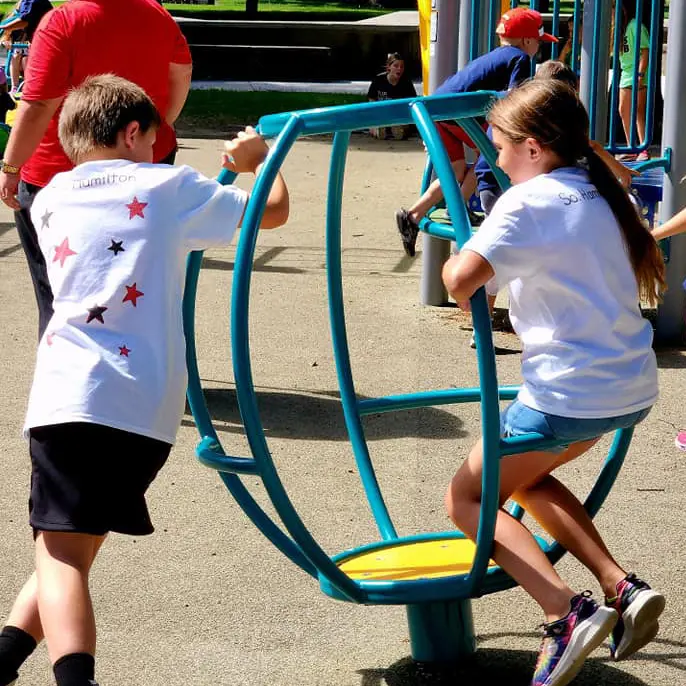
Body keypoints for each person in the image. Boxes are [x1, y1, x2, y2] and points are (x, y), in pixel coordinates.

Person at [0, 74, 289, 686]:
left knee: (61, 556)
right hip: (146, 407)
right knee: (71, 547)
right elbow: (274, 210)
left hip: (69, 396)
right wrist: (259, 160)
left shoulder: (48, 197)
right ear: (133, 132)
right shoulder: (170, 188)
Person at [441, 79, 665, 686]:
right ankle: (620, 584)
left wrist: (457, 256)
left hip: (570, 392)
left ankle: (565, 612)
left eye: (501, 148)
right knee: (527, 475)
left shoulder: (528, 200)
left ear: (535, 148)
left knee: (467, 498)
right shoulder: (600, 187)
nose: (498, 160)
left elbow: (460, 281)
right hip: (627, 385)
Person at [0, 0, 194, 341]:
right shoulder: (156, 15)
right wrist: (159, 124)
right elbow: (181, 71)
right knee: (142, 287)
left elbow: (38, 104)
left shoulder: (61, 22)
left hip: (60, 172)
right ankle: (153, 372)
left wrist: (11, 165)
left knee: (59, 294)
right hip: (146, 162)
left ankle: (68, 379)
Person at [395, 7, 557, 259]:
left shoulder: (496, 56)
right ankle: (458, 208)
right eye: (538, 41)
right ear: (527, 40)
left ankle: (412, 215)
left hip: (436, 111)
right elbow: (516, 100)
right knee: (492, 153)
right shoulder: (520, 59)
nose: (539, 46)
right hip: (458, 113)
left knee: (457, 170)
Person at [615, 0, 650, 162]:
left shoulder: (636, 26)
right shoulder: (620, 28)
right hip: (626, 72)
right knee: (624, 110)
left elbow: (645, 52)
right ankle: (632, 147)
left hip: (636, 73)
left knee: (638, 112)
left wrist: (640, 74)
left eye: (617, 8)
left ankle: (643, 149)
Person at [0, 0, 54, 94]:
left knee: (26, 57)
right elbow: (5, 38)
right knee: (16, 54)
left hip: (27, 55)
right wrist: (6, 42)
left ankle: (28, 84)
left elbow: (25, 21)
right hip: (17, 55)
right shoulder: (14, 25)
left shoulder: (29, 24)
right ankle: (14, 86)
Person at [367, 52, 417, 141]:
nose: (399, 69)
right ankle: (380, 130)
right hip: (381, 114)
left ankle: (398, 130)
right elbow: (371, 101)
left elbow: (412, 103)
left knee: (402, 126)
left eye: (402, 66)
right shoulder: (378, 80)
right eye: (396, 66)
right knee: (376, 126)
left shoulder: (407, 83)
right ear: (389, 67)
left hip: (399, 116)